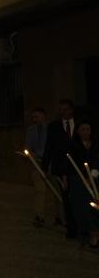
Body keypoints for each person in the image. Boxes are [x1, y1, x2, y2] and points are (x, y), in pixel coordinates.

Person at [43, 99, 78, 237]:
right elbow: (49, 147)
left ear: (71, 110)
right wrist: (45, 167)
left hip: (78, 169)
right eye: (60, 110)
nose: (62, 112)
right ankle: (71, 228)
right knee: (66, 199)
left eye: (65, 109)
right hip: (61, 169)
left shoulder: (80, 124)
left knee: (80, 198)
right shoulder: (53, 126)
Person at [67, 121, 99, 248]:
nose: (86, 132)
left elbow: (97, 159)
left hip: (94, 179)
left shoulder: (96, 145)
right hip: (78, 180)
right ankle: (86, 232)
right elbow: (70, 163)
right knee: (81, 207)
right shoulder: (73, 145)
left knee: (93, 205)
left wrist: (94, 172)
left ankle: (95, 233)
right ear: (78, 131)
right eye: (83, 129)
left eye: (88, 129)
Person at [24, 107, 49, 227]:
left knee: (56, 190)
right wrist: (32, 155)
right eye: (33, 117)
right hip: (36, 164)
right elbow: (28, 146)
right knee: (39, 190)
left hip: (50, 163)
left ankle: (60, 216)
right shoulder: (31, 130)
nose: (35, 119)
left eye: (37, 117)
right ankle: (39, 215)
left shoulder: (50, 129)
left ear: (44, 116)